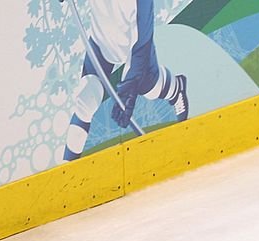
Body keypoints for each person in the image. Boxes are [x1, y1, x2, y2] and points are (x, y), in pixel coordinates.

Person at [63, 0, 189, 161]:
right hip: (101, 43)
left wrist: (130, 87)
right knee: (86, 98)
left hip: (135, 49)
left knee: (150, 88)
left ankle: (176, 88)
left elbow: (141, 44)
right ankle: (68, 167)